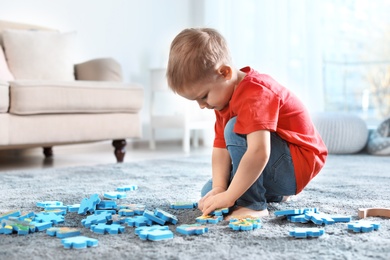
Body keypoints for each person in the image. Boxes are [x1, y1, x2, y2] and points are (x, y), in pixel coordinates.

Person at [166, 28, 328, 218]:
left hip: (296, 164)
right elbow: (220, 150)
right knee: (209, 192)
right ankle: (275, 194)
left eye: (203, 96)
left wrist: (230, 197)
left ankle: (253, 205)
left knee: (234, 130)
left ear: (225, 73)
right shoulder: (222, 102)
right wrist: (220, 189)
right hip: (275, 163)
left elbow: (259, 152)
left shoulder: (255, 93)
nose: (202, 106)